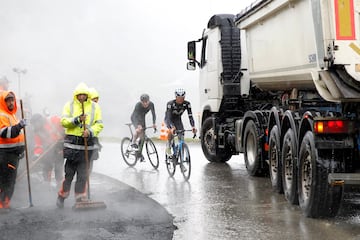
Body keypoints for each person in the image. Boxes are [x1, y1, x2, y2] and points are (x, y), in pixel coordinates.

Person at [56, 82, 103, 208]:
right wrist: (77, 120)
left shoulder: (95, 107)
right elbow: (64, 122)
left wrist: (90, 131)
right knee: (69, 175)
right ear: (76, 95)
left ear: (87, 95)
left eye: (84, 95)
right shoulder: (69, 105)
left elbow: (99, 124)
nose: (82, 97)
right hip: (72, 148)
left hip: (87, 147)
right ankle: (62, 195)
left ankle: (80, 199)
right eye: (79, 95)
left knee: (83, 175)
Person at [0, 91, 26, 209]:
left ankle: (5, 203)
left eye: (12, 100)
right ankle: (2, 203)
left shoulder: (12, 115)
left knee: (10, 180)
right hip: (5, 154)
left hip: (13, 154)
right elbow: (5, 133)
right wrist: (19, 126)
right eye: (8, 100)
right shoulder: (1, 115)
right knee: (5, 179)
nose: (11, 102)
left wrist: (21, 149)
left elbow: (18, 136)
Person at [31, 113, 64, 186]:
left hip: (59, 146)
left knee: (58, 166)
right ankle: (46, 184)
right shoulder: (37, 131)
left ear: (39, 121)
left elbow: (64, 124)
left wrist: (63, 135)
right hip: (48, 150)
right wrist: (37, 155)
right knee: (47, 166)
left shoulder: (52, 120)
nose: (35, 126)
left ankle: (59, 184)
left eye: (35, 123)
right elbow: (38, 145)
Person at [164, 88, 197, 156]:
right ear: (176, 97)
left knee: (181, 134)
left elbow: (190, 116)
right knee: (171, 131)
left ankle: (180, 152)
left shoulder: (187, 104)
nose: (181, 99)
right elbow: (168, 117)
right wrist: (172, 127)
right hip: (169, 119)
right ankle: (168, 146)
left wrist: (193, 126)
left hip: (178, 119)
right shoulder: (170, 104)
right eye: (179, 98)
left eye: (182, 97)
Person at [88, 87, 102, 173]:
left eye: (96, 100)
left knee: (91, 159)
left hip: (93, 138)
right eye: (93, 100)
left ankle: (87, 177)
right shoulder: (85, 110)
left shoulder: (97, 110)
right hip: (85, 138)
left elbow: (99, 124)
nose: (95, 102)